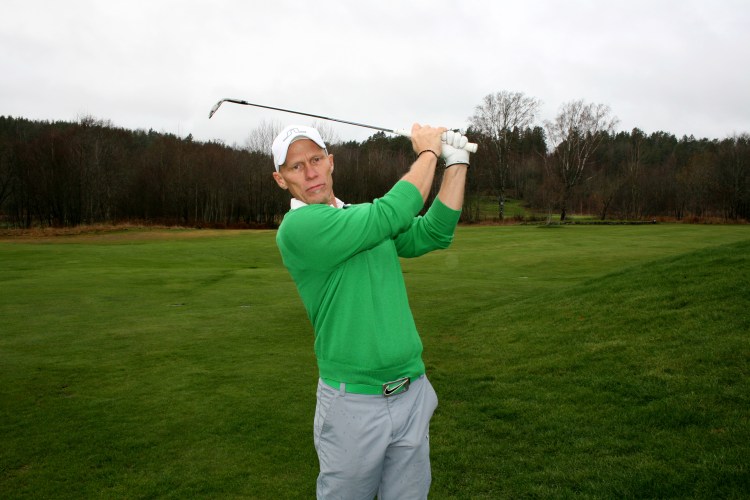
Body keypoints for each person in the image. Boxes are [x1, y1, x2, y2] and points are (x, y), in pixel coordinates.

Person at [271, 122, 470, 499]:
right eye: (296, 166)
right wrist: (429, 152)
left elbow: (434, 232)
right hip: (352, 403)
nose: (310, 172)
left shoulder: (361, 218)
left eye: (316, 159)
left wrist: (456, 163)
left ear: (331, 162)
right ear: (281, 180)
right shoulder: (298, 228)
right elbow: (391, 214)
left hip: (411, 391)